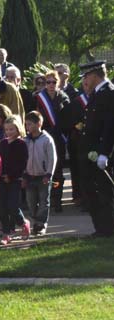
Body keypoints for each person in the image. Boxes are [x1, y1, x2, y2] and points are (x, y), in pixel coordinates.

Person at [78, 60, 114, 237]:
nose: (84, 80)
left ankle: (107, 228)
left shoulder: (109, 93)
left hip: (100, 153)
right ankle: (102, 227)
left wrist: (104, 153)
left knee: (105, 192)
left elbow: (110, 126)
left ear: (94, 75)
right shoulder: (97, 93)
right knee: (92, 190)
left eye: (86, 76)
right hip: (91, 151)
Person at [35, 70, 70, 212]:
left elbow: (68, 117)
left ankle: (57, 200)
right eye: (47, 82)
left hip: (59, 138)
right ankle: (45, 201)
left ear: (58, 82)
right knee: (44, 170)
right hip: (44, 138)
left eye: (53, 82)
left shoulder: (63, 97)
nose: (50, 85)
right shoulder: (39, 98)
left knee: (58, 170)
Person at [23, 111, 57, 236]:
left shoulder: (47, 139)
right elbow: (23, 158)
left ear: (39, 124)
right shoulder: (25, 140)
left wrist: (48, 174)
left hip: (43, 176)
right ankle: (34, 220)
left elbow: (52, 158)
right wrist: (24, 174)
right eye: (26, 125)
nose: (27, 127)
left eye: (30, 124)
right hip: (29, 176)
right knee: (30, 201)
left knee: (44, 201)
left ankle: (41, 224)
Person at [0, 116, 30, 245]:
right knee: (3, 208)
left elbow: (22, 163)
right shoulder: (3, 143)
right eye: (7, 129)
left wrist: (11, 176)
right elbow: (0, 161)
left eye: (12, 129)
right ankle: (6, 233)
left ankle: (22, 222)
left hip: (15, 180)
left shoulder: (21, 144)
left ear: (18, 129)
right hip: (2, 179)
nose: (9, 132)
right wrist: (1, 175)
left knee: (13, 206)